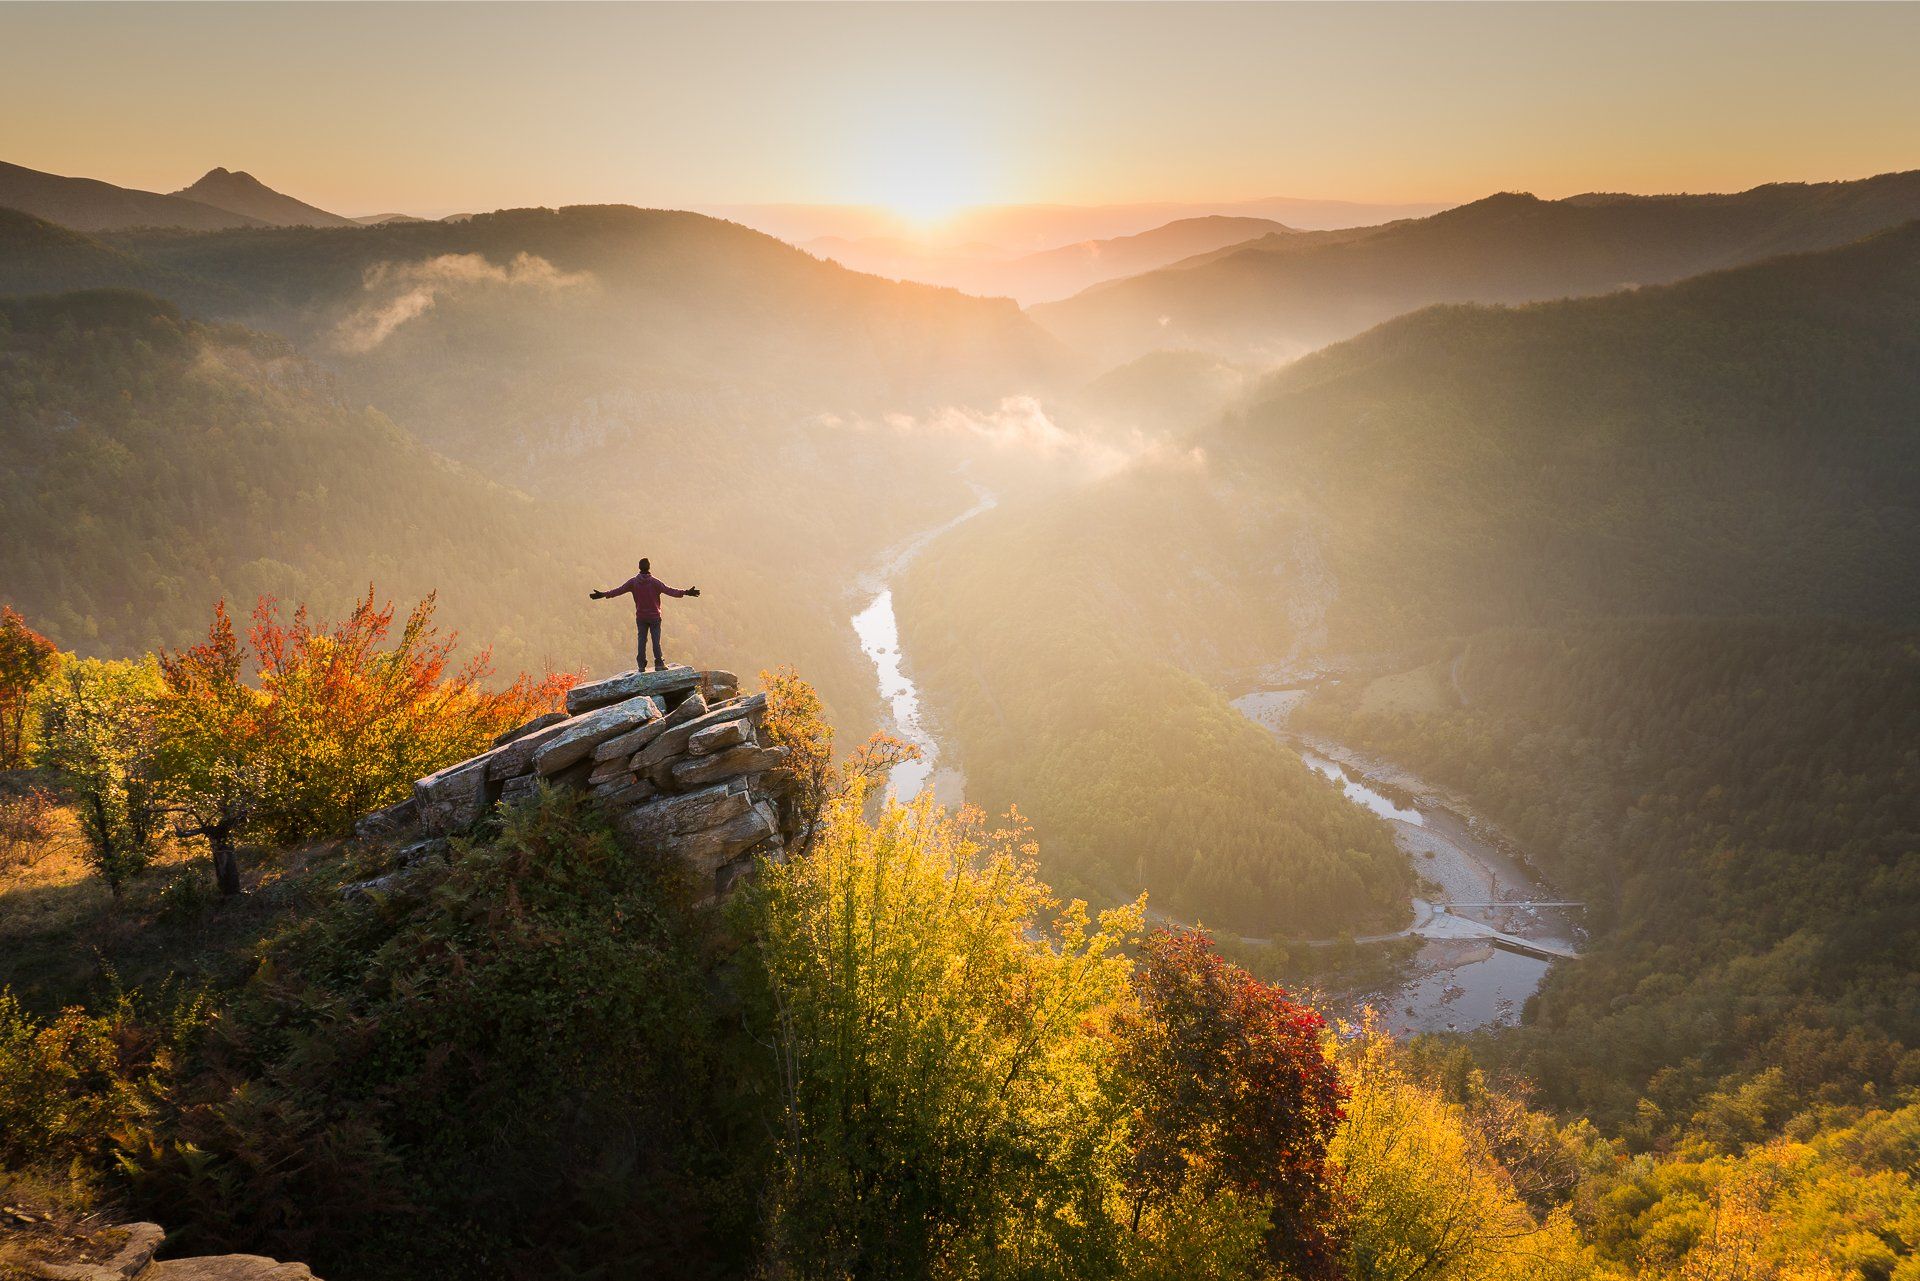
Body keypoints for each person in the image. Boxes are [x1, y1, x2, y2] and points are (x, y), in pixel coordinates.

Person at [590, 558, 701, 671]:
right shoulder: (655, 582)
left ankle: (641, 665)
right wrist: (686, 592)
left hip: (641, 617)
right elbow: (670, 591)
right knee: (655, 640)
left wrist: (603, 594)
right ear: (649, 567)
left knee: (642, 640)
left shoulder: (633, 582)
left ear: (639, 567)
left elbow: (618, 590)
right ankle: (659, 663)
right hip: (654, 617)